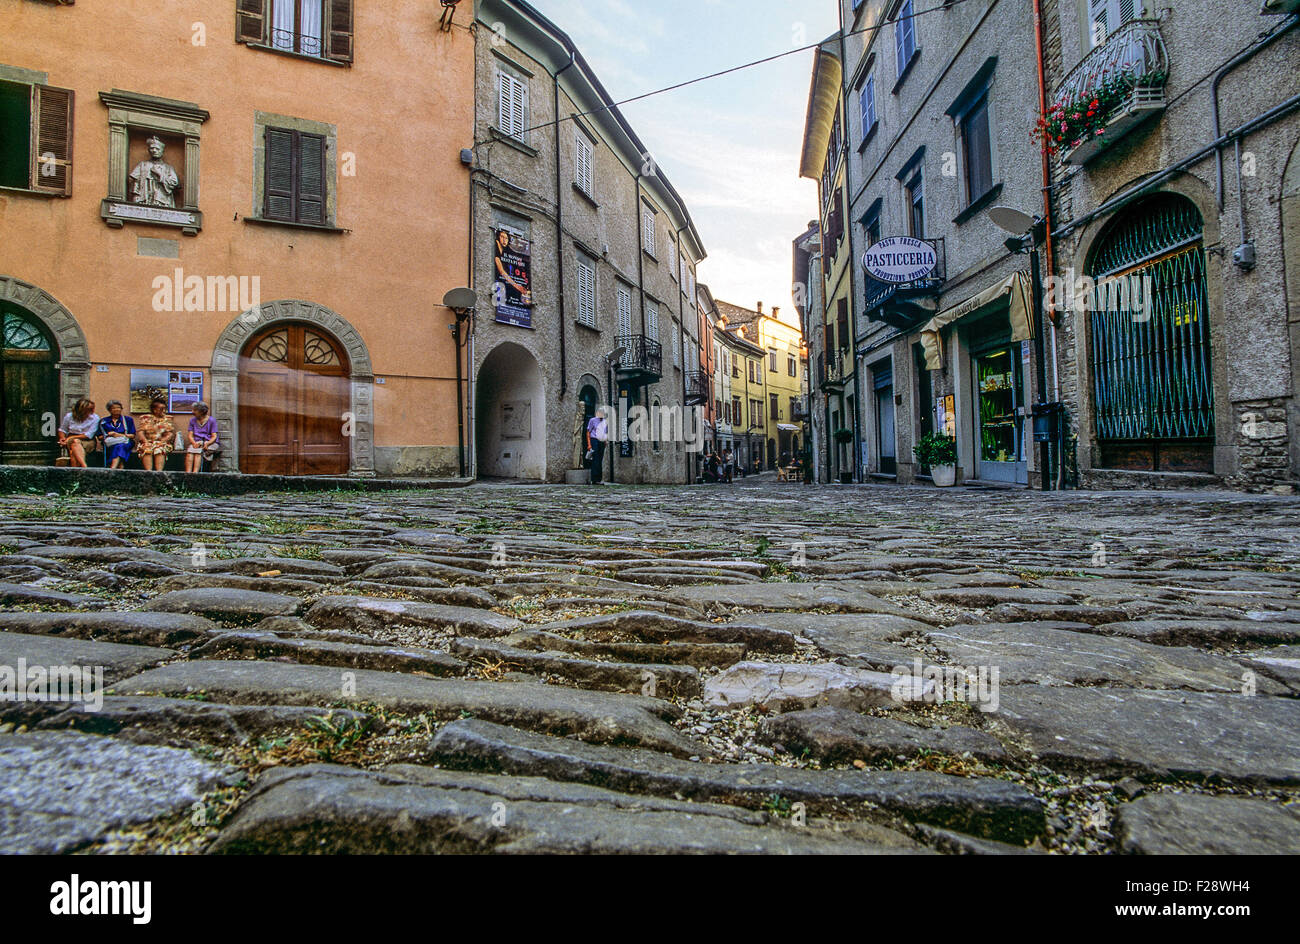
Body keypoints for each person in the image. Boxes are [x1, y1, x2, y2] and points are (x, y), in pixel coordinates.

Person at [57, 398, 100, 467]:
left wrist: (71, 437)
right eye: (89, 409)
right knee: (75, 443)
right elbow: (62, 430)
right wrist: (62, 438)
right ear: (82, 410)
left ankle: (77, 471)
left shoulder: (95, 418)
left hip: (87, 440)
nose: (92, 411)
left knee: (73, 451)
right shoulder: (69, 416)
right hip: (71, 439)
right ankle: (84, 467)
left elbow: (89, 435)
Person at [136, 398, 175, 471]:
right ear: (154, 409)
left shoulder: (168, 419)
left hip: (162, 442)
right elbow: (140, 432)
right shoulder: (145, 418)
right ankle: (149, 472)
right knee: (147, 450)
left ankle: (159, 473)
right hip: (147, 441)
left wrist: (161, 442)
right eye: (161, 409)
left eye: (164, 408)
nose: (163, 410)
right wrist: (145, 442)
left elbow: (170, 434)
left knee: (159, 450)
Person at [99, 400, 136, 469]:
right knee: (118, 446)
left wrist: (118, 435)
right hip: (110, 443)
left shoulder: (128, 420)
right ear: (109, 410)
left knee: (120, 446)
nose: (117, 410)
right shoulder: (104, 421)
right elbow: (100, 437)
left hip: (125, 442)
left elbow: (132, 435)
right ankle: (120, 466)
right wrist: (109, 435)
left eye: (119, 407)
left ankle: (113, 467)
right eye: (113, 408)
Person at [184, 402, 219, 473]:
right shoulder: (192, 420)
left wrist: (207, 444)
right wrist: (193, 443)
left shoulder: (212, 420)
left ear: (202, 412)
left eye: (195, 410)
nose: (192, 412)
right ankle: (188, 474)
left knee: (198, 452)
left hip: (209, 442)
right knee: (190, 453)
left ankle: (195, 473)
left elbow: (214, 436)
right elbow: (190, 435)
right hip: (196, 442)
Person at [585, 407, 609, 484]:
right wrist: (589, 444)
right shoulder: (593, 420)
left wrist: (605, 441)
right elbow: (588, 432)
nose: (602, 414)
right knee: (595, 459)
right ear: (598, 413)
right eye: (600, 413)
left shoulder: (605, 421)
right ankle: (594, 479)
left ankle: (599, 479)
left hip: (601, 441)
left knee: (600, 459)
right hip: (594, 440)